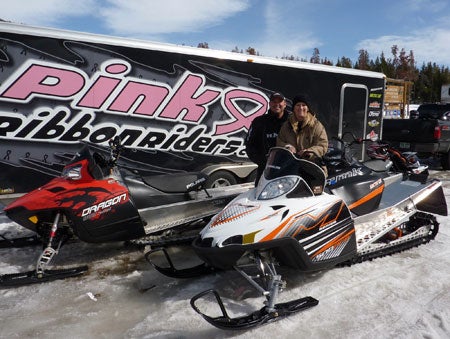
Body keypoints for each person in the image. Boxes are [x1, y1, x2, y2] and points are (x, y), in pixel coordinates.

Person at [276, 94, 329, 175]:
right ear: (293, 108)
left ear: (308, 108)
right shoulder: (286, 125)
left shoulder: (316, 125)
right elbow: (279, 142)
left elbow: (323, 145)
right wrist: (287, 147)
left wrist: (309, 152)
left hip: (313, 169)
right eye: (298, 105)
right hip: (291, 169)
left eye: (303, 105)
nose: (301, 108)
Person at [245, 92, 289, 183]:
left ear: (285, 104)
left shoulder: (293, 122)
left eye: (279, 101)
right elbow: (249, 144)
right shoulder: (259, 121)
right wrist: (262, 161)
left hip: (288, 170)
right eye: (273, 101)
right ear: (269, 104)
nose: (276, 104)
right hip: (265, 171)